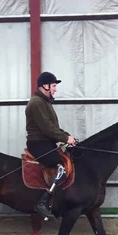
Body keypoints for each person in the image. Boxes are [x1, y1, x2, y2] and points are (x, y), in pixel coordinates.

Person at [25, 71, 77, 218]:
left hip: (46, 142)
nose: (55, 89)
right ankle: (42, 201)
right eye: (53, 86)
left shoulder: (44, 102)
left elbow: (53, 127)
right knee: (60, 169)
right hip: (38, 143)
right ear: (45, 86)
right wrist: (65, 139)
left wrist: (68, 137)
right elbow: (47, 128)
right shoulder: (36, 103)